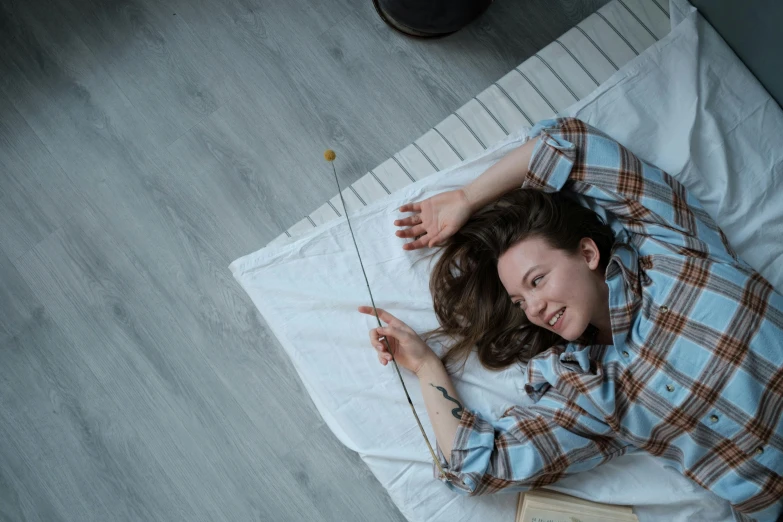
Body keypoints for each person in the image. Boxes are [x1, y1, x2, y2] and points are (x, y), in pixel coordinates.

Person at [356, 117, 783, 521]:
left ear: (587, 254)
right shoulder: (591, 392)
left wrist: (467, 198)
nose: (534, 307)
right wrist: (427, 365)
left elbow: (572, 142)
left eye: (538, 280)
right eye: (521, 302)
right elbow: (477, 467)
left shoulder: (674, 250)